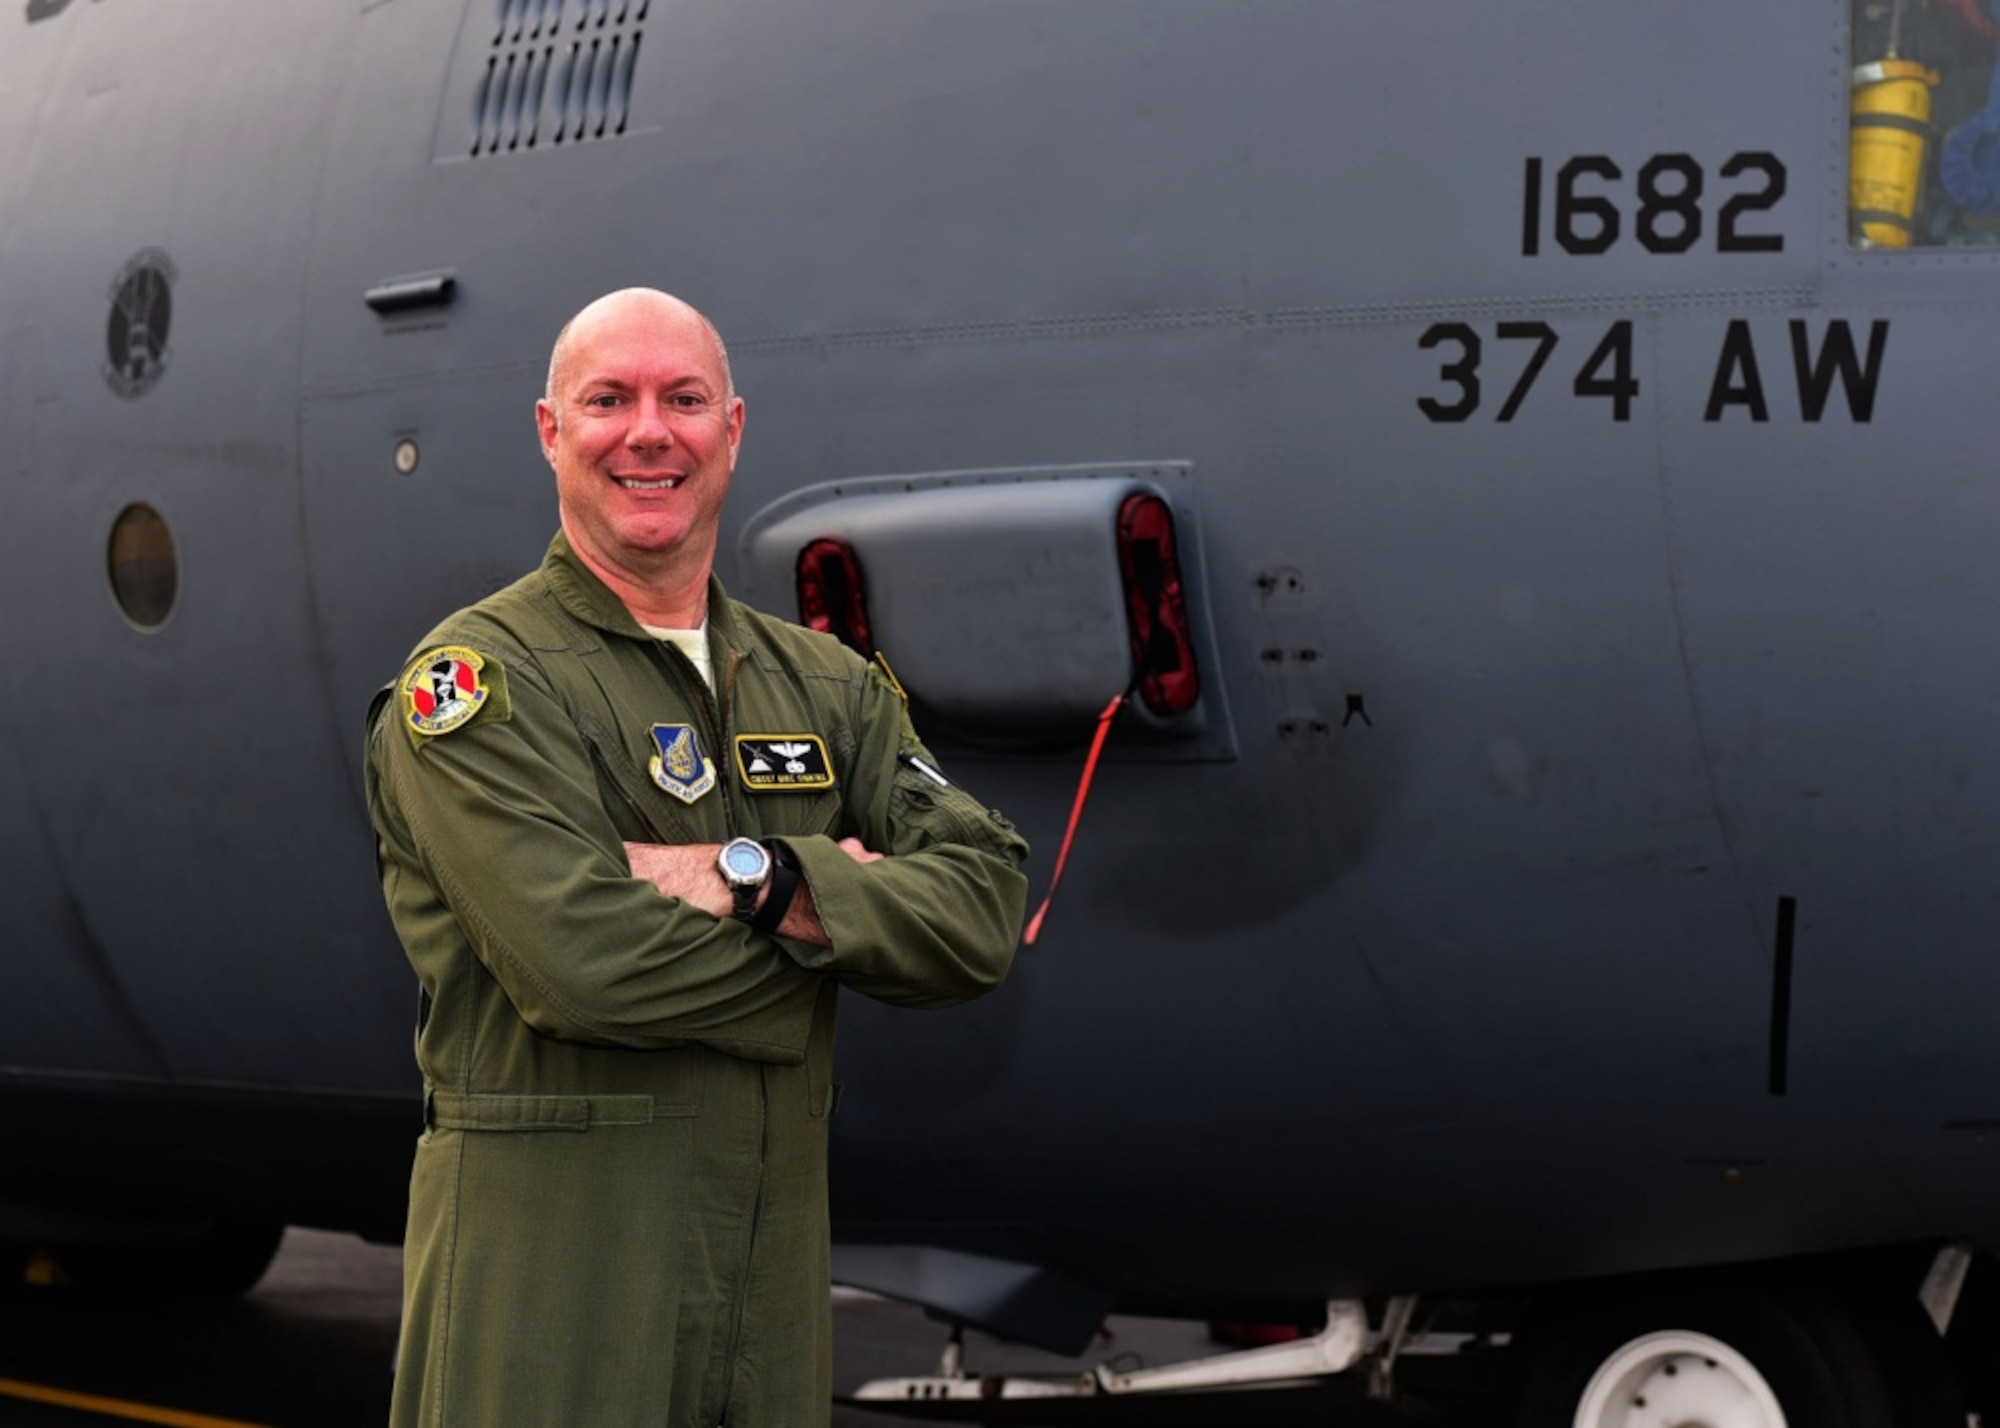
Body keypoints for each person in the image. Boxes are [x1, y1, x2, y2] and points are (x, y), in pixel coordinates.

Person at [363, 288, 1029, 1427]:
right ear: (549, 431)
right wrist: (839, 922)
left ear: (732, 428)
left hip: (762, 1304)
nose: (647, 433)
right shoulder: (477, 684)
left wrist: (750, 878)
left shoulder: (822, 683)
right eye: (607, 400)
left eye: (682, 400)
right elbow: (577, 964)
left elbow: (982, 907)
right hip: (550, 1303)